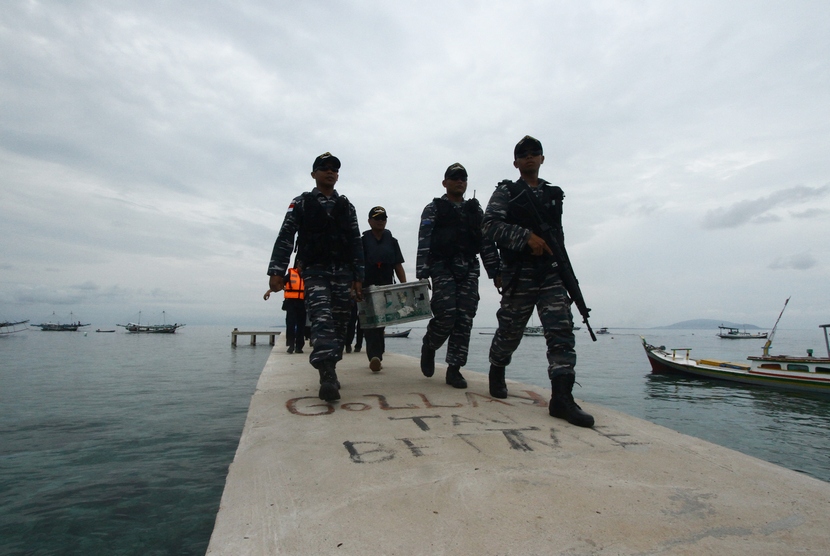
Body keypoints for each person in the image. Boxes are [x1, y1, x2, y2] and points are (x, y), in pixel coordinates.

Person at [482, 136, 594, 427]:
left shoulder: (553, 194)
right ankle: (497, 368)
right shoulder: (507, 191)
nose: (530, 158)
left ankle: (562, 397)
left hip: (551, 272)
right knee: (511, 330)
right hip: (520, 274)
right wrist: (525, 238)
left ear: (542, 159)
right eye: (524, 154)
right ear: (516, 162)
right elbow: (490, 226)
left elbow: (557, 234)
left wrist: (565, 271)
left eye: (535, 154)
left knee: (561, 329)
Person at [267, 152, 364, 402]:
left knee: (341, 324)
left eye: (334, 169)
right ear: (314, 174)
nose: (330, 172)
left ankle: (331, 364)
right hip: (315, 270)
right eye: (324, 168)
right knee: (321, 318)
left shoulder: (347, 206)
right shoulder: (301, 203)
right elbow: (286, 237)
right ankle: (326, 373)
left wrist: (358, 277)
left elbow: (355, 243)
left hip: (343, 272)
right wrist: (276, 272)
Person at [417, 163, 500, 388]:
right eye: (454, 178)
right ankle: (430, 345)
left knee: (465, 318)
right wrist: (422, 274)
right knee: (446, 315)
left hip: (469, 268)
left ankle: (454, 369)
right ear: (445, 183)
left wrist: (495, 271)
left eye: (463, 178)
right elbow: (424, 240)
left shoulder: (474, 210)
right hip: (442, 265)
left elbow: (485, 242)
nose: (459, 181)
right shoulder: (433, 209)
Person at [361, 206, 407, 372]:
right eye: (377, 218)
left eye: (383, 218)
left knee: (382, 322)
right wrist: (355, 285)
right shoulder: (362, 241)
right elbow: (356, 265)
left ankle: (377, 355)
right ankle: (375, 356)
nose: (380, 221)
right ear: (369, 221)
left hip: (386, 285)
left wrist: (404, 286)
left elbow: (398, 265)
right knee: (369, 322)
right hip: (366, 286)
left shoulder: (392, 242)